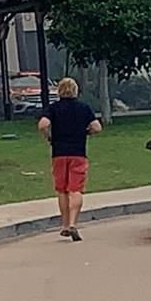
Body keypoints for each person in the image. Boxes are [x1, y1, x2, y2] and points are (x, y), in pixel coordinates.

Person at [37, 77, 102, 241]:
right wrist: (86, 132)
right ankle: (73, 223)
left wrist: (48, 137)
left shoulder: (53, 108)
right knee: (76, 189)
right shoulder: (84, 108)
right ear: (75, 90)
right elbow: (97, 127)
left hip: (59, 153)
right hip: (78, 153)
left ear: (59, 91)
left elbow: (43, 124)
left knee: (62, 189)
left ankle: (65, 225)